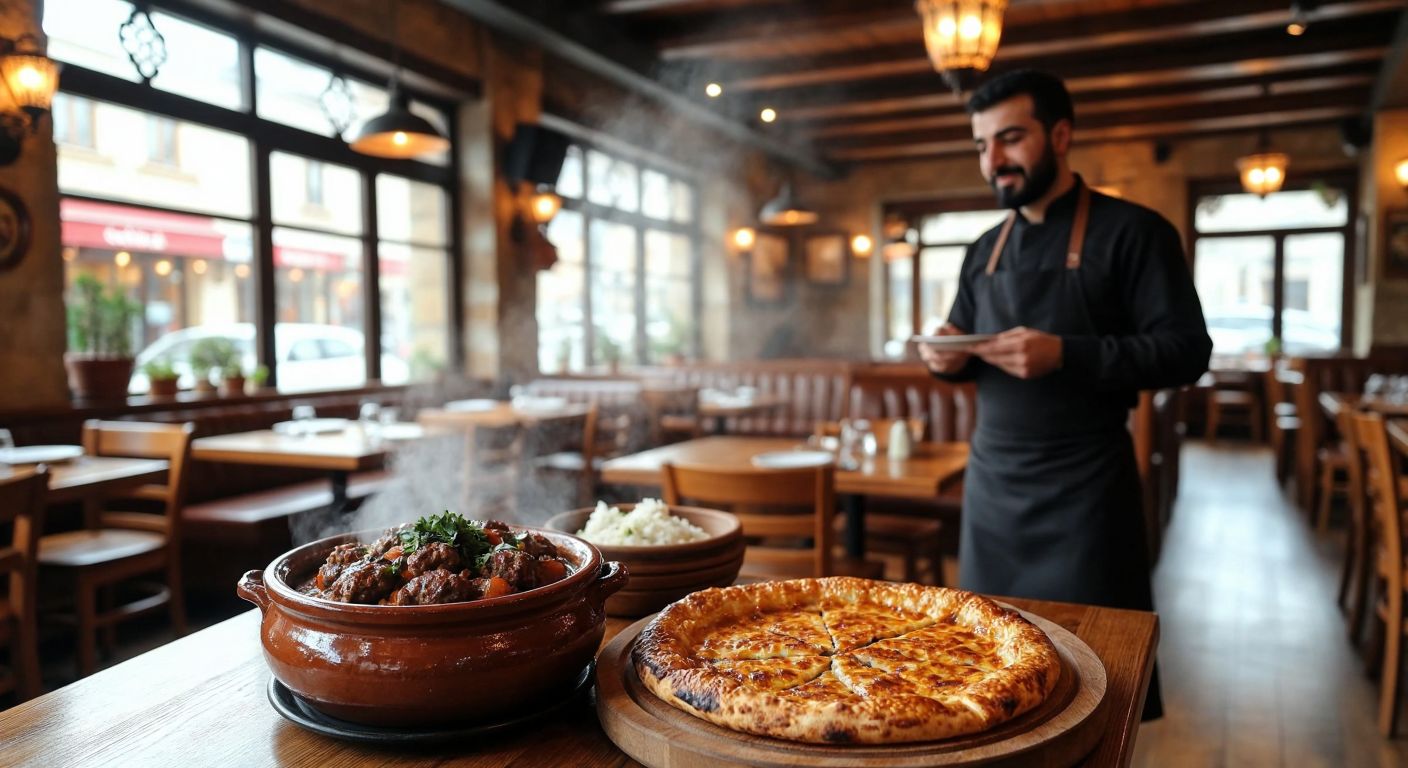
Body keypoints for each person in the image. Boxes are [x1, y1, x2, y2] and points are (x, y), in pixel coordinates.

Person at [918, 70, 1212, 720]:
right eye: (981, 144)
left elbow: (1188, 352)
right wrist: (944, 357)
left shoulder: (1134, 233)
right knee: (983, 681)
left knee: (1094, 685)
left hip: (1086, 494)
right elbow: (968, 355)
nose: (993, 159)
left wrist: (1066, 352)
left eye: (1010, 138)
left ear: (1061, 134)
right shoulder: (982, 251)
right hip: (992, 492)